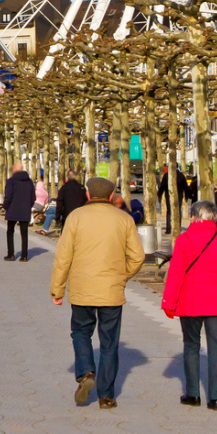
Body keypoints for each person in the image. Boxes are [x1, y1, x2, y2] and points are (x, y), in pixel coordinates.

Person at [49, 176, 145, 410]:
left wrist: (57, 289)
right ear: (112, 196)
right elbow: (138, 256)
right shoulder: (124, 219)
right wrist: (123, 276)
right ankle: (107, 396)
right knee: (110, 342)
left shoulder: (75, 217)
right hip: (111, 290)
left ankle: (85, 371)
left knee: (81, 332)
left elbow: (63, 257)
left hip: (82, 288)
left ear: (89, 195)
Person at [162, 199, 217, 410]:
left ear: (195, 217)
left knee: (191, 346)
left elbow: (176, 274)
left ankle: (193, 394)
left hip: (191, 301)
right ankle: (215, 399)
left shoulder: (184, 240)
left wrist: (169, 302)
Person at [3, 163, 36, 261]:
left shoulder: (11, 181)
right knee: (24, 233)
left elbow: (8, 196)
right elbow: (33, 197)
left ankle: (11, 254)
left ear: (14, 170)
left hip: (12, 209)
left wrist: (6, 207)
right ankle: (24, 256)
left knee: (10, 231)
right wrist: (28, 206)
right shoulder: (29, 181)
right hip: (25, 210)